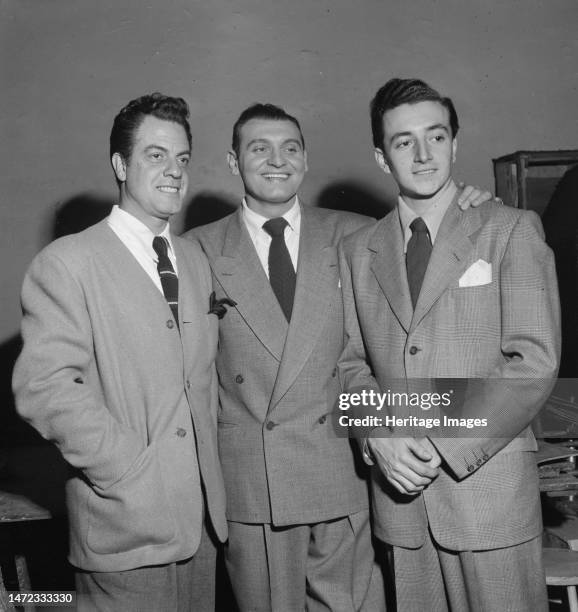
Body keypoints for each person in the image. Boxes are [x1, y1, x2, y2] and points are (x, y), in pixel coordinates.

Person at [187, 102, 494, 611]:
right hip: (254, 486)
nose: (276, 160)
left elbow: (433, 242)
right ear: (233, 162)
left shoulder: (361, 233)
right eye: (258, 148)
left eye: (291, 148)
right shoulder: (195, 248)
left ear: (306, 161)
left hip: (346, 471)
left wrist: (473, 203)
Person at [338, 77, 561, 611]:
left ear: (455, 144)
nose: (422, 155)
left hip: (489, 503)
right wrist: (378, 438)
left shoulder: (509, 229)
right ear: (380, 155)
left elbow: (533, 364)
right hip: (402, 510)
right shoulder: (357, 250)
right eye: (402, 141)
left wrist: (437, 441)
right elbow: (348, 366)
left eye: (436, 137)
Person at [12, 93, 227, 611]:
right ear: (120, 164)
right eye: (155, 155)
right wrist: (128, 470)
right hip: (124, 528)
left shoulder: (195, 259)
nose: (174, 171)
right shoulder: (68, 263)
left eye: (181, 158)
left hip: (201, 528)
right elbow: (44, 388)